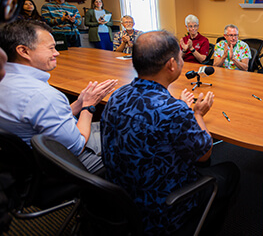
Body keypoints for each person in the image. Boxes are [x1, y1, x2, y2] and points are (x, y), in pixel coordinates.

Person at [101, 30, 240, 235]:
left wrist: (180, 109)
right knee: (231, 171)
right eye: (181, 57)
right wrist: (197, 114)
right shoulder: (173, 110)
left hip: (118, 199)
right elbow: (204, 154)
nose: (182, 61)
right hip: (160, 210)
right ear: (171, 65)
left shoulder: (117, 95)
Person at [0, 20, 117, 173]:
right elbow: (77, 147)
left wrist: (79, 103)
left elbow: (43, 117)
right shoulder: (42, 95)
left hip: (24, 163)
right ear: (24, 51)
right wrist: (89, 107)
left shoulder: (7, 80)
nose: (57, 53)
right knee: (125, 135)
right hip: (63, 164)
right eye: (51, 48)